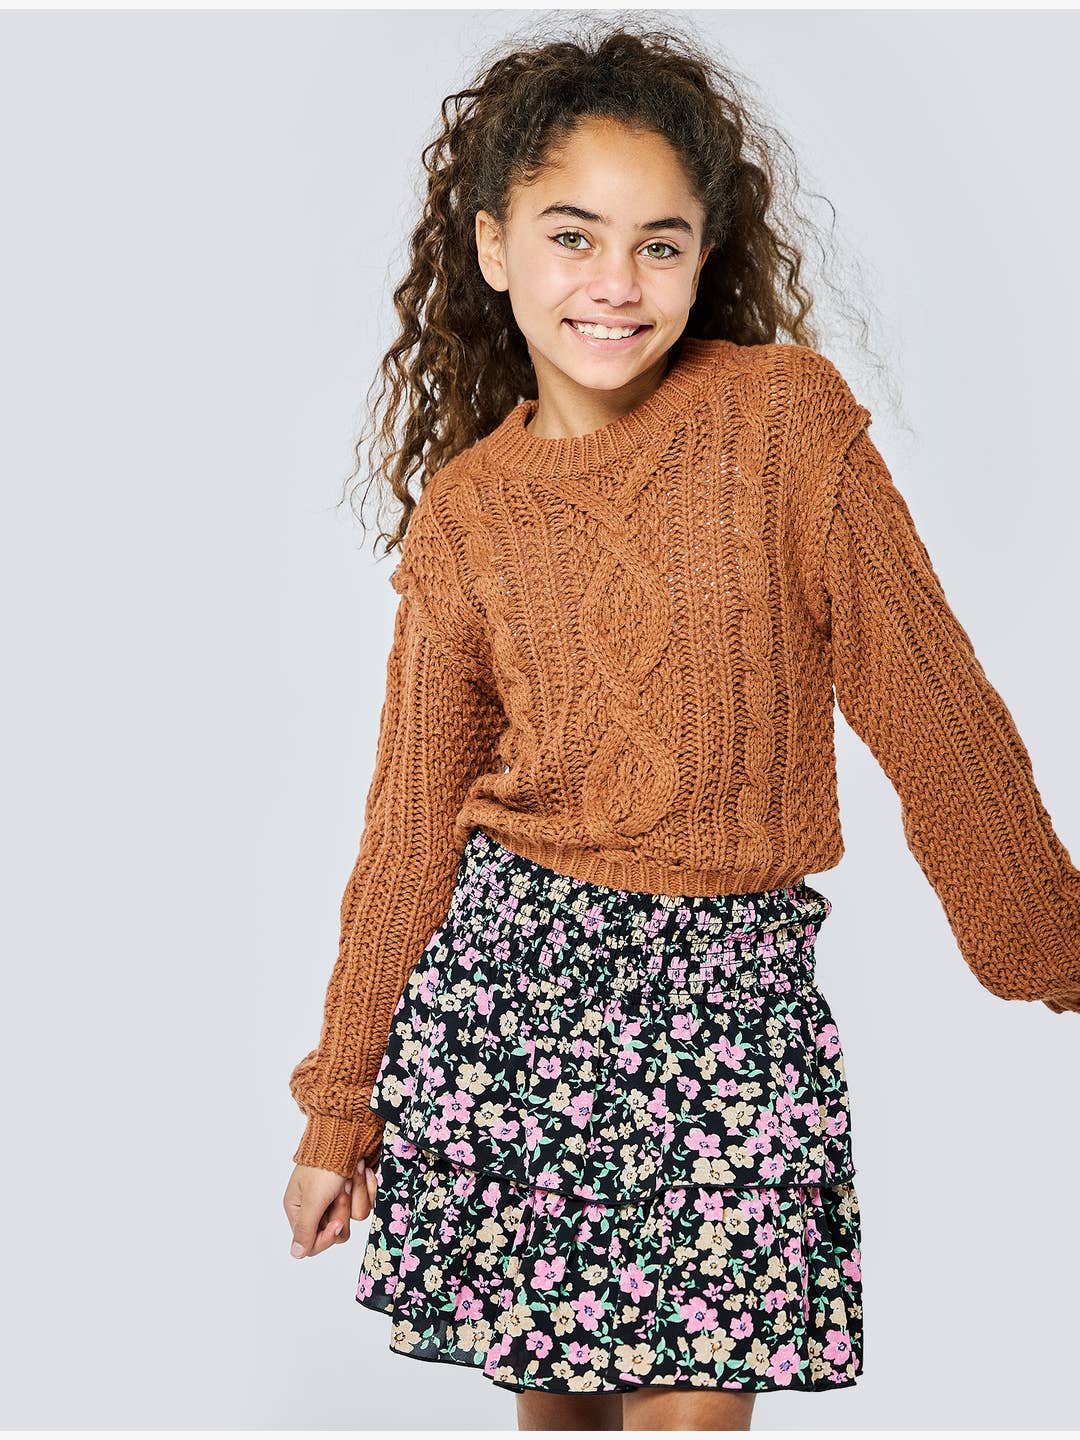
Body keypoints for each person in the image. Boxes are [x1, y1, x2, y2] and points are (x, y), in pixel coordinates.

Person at [281, 20, 1080, 1433]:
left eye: (661, 244)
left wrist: (1050, 941)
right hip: (515, 1006)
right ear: (493, 249)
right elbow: (408, 825)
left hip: (734, 1004)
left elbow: (930, 702)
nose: (616, 282)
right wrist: (340, 1105)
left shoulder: (781, 424)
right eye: (573, 237)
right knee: (561, 1420)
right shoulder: (468, 513)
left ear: (706, 258)